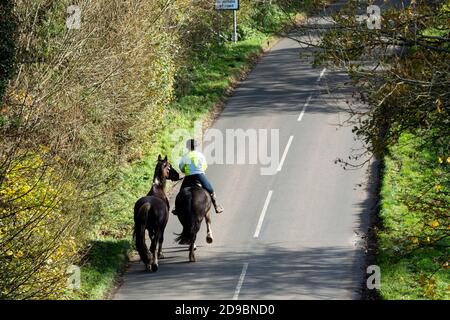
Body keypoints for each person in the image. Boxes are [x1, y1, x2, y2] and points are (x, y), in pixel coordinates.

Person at [172, 139, 224, 214]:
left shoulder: (185, 156)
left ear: (188, 147)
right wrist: (200, 170)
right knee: (211, 190)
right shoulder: (200, 155)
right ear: (196, 147)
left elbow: (181, 167)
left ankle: (176, 209)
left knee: (181, 193)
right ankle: (216, 207)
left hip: (189, 177)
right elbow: (205, 166)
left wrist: (186, 171)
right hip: (199, 175)